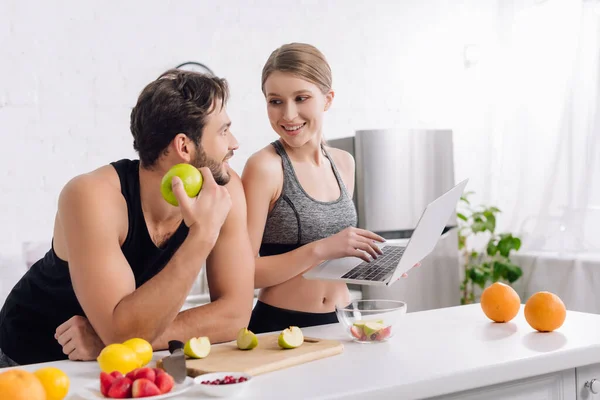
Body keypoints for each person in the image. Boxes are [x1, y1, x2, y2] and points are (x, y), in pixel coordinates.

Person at [0, 69, 255, 366]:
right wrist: (202, 235)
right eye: (223, 131)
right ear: (184, 147)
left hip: (110, 360)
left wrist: (108, 339)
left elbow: (236, 315)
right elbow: (121, 338)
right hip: (27, 362)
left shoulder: (225, 188)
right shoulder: (92, 196)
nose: (234, 143)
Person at [242, 43, 414, 334]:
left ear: (327, 99)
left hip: (342, 322)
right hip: (280, 327)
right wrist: (321, 249)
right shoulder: (265, 167)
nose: (288, 114)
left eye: (301, 98)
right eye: (275, 101)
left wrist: (381, 264)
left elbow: (333, 263)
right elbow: (242, 273)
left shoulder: (344, 163)